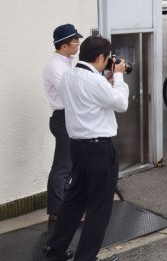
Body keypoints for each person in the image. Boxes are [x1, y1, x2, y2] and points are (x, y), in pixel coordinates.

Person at [42, 36, 129, 261]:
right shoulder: (96, 82)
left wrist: (106, 77)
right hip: (99, 150)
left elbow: (91, 96)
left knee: (73, 201)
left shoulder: (69, 76)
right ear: (100, 57)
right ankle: (86, 257)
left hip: (77, 148)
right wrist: (118, 76)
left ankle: (55, 249)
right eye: (107, 59)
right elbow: (121, 104)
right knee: (99, 208)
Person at [42, 24, 83, 223]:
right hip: (62, 118)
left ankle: (63, 208)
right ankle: (56, 212)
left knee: (70, 165)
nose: (78, 44)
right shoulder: (55, 66)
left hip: (68, 116)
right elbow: (70, 91)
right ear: (64, 45)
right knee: (63, 166)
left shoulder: (66, 62)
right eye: (75, 40)